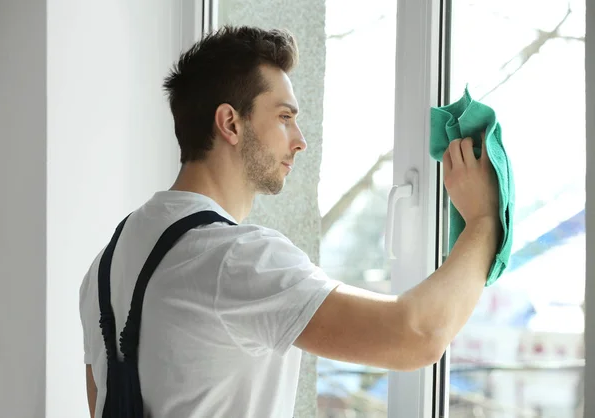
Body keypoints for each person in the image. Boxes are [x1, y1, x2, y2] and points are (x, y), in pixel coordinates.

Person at [79, 25, 501, 418]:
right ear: (230, 123)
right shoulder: (236, 257)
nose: (299, 140)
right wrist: (483, 222)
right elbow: (417, 334)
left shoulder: (107, 264)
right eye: (284, 117)